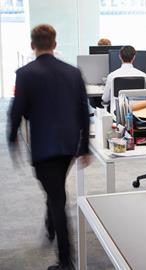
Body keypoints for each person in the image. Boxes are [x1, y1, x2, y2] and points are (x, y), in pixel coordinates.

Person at [8, 24, 91, 270]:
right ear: (54, 45)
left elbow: (17, 111)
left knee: (57, 199)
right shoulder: (73, 72)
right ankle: (50, 225)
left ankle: (66, 261)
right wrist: (84, 147)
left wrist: (11, 136)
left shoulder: (25, 73)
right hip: (68, 145)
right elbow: (83, 113)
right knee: (54, 189)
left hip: (44, 146)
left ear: (33, 45)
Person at [101, 45, 146, 112]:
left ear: (120, 56)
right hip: (138, 113)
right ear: (134, 57)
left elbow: (105, 99)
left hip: (117, 114)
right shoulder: (143, 76)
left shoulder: (112, 76)